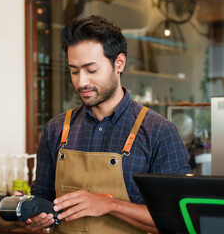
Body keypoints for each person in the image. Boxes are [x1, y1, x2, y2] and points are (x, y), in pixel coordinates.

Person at [27, 15, 191, 234]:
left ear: (119, 63)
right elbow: (44, 202)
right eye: (74, 71)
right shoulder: (55, 129)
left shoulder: (159, 132)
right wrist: (32, 213)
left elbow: (178, 219)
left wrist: (110, 205)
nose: (81, 81)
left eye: (91, 70)